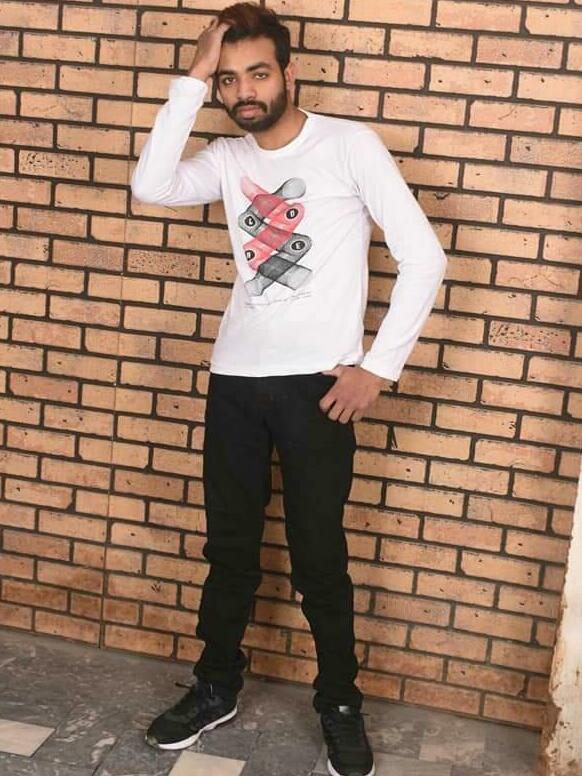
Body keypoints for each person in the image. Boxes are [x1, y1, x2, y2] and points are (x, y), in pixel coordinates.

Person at [131, 3, 447, 775]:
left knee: (318, 558)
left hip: (318, 389)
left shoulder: (347, 145)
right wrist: (191, 77)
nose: (244, 91)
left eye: (257, 73)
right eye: (228, 79)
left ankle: (339, 702)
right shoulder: (226, 157)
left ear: (289, 73)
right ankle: (215, 685)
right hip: (235, 382)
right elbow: (152, 185)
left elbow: (424, 256)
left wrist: (379, 367)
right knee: (230, 551)